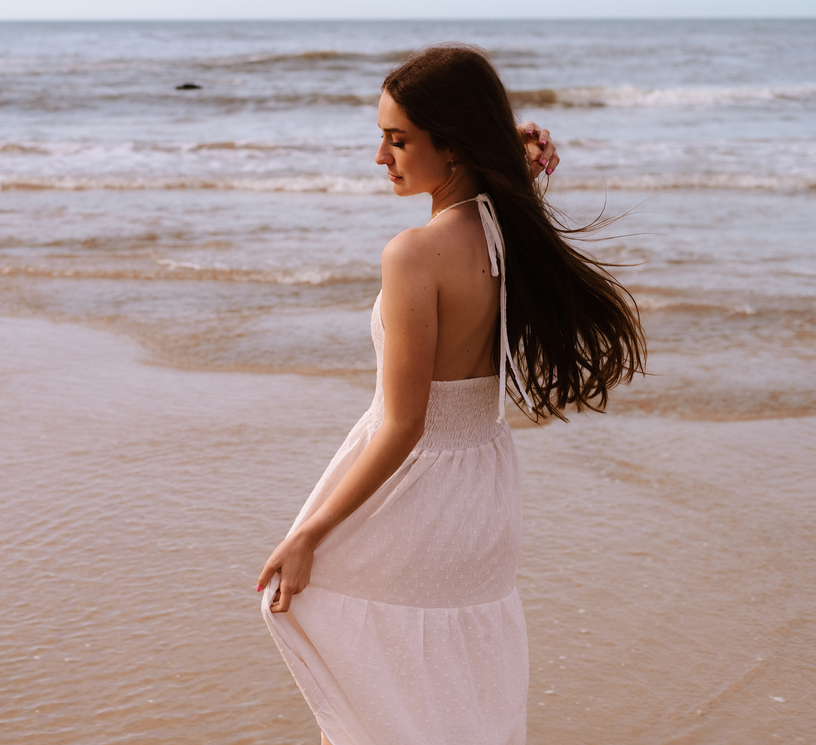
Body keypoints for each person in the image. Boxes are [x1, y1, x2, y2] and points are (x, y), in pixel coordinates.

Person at [257, 44, 645, 745]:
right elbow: (499, 193)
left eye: (398, 139)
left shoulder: (413, 253)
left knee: (334, 632)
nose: (381, 157)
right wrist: (518, 159)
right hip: (482, 488)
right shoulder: (503, 227)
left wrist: (309, 533)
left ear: (455, 143)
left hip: (419, 485)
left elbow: (405, 425)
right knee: (461, 667)